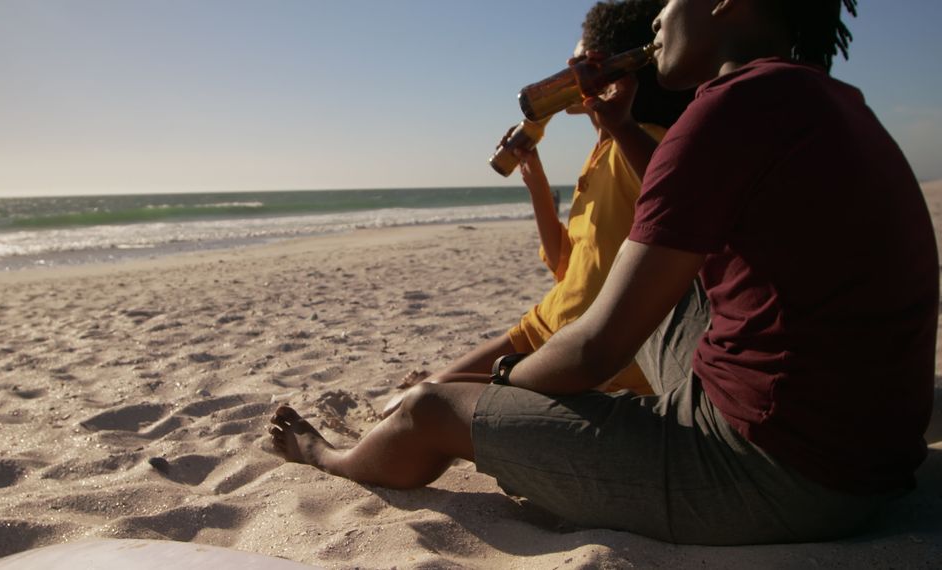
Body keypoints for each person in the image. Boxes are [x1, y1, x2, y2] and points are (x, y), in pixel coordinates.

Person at [269, 0, 938, 545]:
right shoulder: (824, 99)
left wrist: (502, 387)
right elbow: (694, 206)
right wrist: (620, 125)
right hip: (867, 459)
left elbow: (596, 348)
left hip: (781, 480)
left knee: (430, 409)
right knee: (656, 292)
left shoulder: (726, 109)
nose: (657, 18)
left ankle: (326, 456)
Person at [385, 0, 694, 412]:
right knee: (404, 403)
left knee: (414, 406)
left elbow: (679, 194)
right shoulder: (600, 153)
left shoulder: (640, 145)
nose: (567, 65)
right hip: (543, 325)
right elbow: (566, 266)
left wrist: (622, 128)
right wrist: (536, 183)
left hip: (583, 350)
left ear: (613, 72)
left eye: (582, 59)